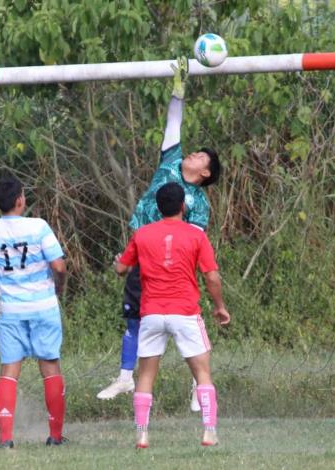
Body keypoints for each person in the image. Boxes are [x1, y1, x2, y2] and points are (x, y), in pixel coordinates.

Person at [96, 56, 222, 413]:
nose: (193, 153)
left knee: (185, 329)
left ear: (206, 173)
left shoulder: (199, 203)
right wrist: (177, 94)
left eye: (200, 156)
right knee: (136, 318)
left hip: (174, 268)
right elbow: (173, 124)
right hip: (143, 256)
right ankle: (124, 377)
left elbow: (193, 243)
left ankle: (199, 389)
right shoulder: (170, 163)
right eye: (194, 151)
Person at [114, 182, 230, 448]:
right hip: (185, 312)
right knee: (202, 370)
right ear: (182, 207)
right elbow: (211, 276)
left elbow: (122, 268)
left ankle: (142, 434)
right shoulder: (196, 235)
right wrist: (220, 306)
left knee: (145, 375)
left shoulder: (142, 234)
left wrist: (118, 264)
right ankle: (209, 431)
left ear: (157, 207)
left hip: (151, 312)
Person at [0, 174, 69, 448]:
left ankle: (6, 439)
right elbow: (59, 267)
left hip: (11, 311)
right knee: (50, 366)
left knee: (9, 370)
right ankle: (55, 436)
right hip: (43, 307)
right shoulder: (39, 227)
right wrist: (58, 289)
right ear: (21, 200)